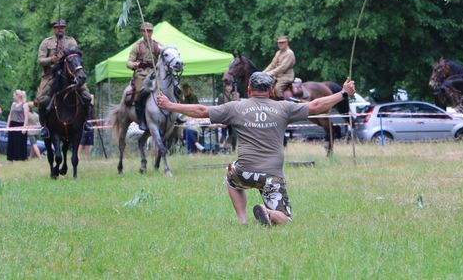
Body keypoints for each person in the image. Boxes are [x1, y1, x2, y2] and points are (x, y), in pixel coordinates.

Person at [157, 71, 355, 226]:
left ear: (249, 89)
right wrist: (343, 93)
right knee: (285, 219)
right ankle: (268, 212)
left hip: (244, 172)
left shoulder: (235, 107)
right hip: (272, 177)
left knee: (230, 176)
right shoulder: (284, 107)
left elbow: (200, 111)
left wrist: (170, 105)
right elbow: (317, 105)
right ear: (270, 91)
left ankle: (242, 220)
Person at [36, 19, 93, 138]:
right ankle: (44, 126)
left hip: (70, 75)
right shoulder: (46, 42)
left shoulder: (71, 41)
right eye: (57, 27)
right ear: (53, 29)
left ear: (65, 28)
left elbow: (76, 54)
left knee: (87, 96)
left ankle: (87, 122)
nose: (60, 29)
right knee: (42, 100)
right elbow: (40, 60)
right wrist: (51, 60)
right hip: (51, 75)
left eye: (62, 27)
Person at [126, 22, 160, 130]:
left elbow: (164, 56)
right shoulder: (137, 47)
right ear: (142, 32)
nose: (148, 33)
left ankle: (175, 115)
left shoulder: (157, 45)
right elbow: (129, 62)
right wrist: (133, 64)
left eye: (150, 31)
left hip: (155, 73)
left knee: (169, 86)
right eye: (145, 31)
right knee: (139, 92)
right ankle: (141, 119)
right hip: (141, 73)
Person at [6, 90, 29, 162]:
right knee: (11, 142)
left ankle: (20, 158)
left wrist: (24, 128)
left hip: (20, 124)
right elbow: (10, 115)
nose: (13, 97)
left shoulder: (24, 105)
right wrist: (7, 126)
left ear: (18, 96)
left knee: (19, 142)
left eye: (14, 95)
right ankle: (10, 159)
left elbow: (26, 117)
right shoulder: (13, 104)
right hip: (12, 124)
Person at [217, 81, 238, 151]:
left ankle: (229, 147)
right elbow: (220, 107)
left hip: (232, 117)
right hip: (224, 117)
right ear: (225, 87)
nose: (229, 88)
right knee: (223, 134)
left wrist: (236, 98)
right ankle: (220, 147)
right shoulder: (221, 96)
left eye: (231, 86)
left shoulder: (233, 95)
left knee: (232, 134)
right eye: (228, 86)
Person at [78, 94, 95, 160]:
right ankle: (78, 156)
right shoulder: (82, 105)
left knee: (88, 142)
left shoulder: (90, 106)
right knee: (82, 141)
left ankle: (86, 157)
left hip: (89, 124)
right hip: (83, 125)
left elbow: (92, 96)